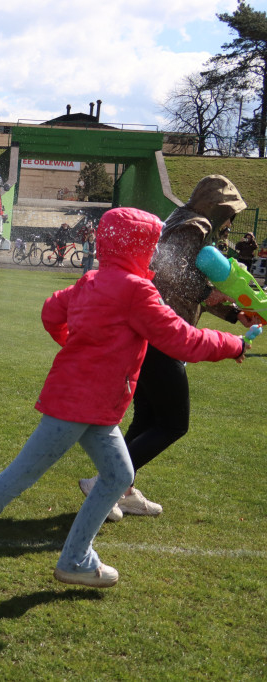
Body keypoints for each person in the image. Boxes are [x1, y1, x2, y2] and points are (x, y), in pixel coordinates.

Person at [0, 207, 247, 593]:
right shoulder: (135, 290)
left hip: (94, 404)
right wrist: (234, 344)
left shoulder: (95, 280)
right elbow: (182, 339)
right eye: (150, 245)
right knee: (20, 475)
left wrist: (73, 344)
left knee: (119, 476)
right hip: (78, 403)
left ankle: (76, 560)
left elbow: (52, 311)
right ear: (138, 247)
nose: (155, 252)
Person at [79, 176, 254, 519]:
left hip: (150, 327)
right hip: (164, 330)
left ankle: (123, 489)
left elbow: (186, 276)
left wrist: (233, 313)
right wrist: (210, 294)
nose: (231, 221)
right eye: (230, 213)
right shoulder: (196, 225)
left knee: (149, 416)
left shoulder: (181, 219)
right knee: (174, 422)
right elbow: (173, 275)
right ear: (218, 207)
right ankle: (106, 481)